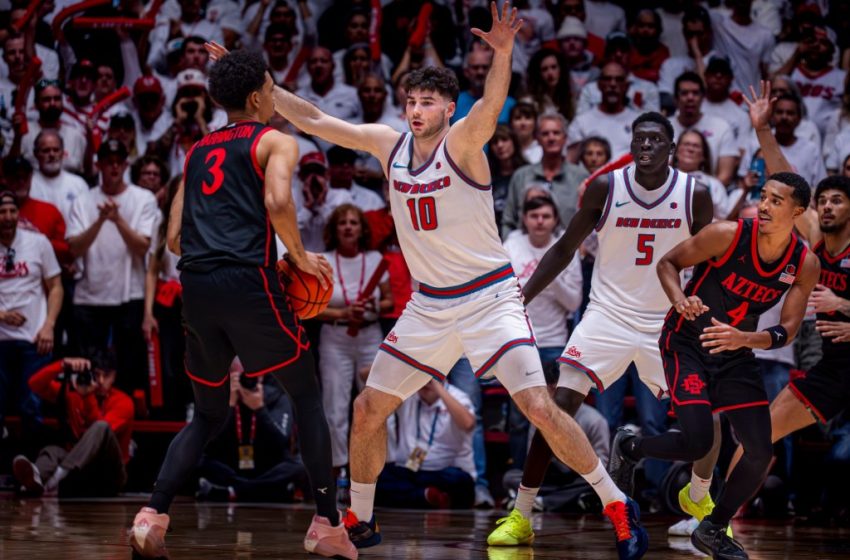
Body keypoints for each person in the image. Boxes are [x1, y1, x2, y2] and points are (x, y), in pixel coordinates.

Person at [208, 3, 647, 557]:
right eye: (411, 102)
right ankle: (360, 520)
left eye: (428, 103)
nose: (416, 111)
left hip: (490, 299)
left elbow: (490, 106)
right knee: (368, 409)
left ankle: (615, 503)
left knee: (538, 405)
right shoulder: (388, 145)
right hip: (430, 306)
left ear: (447, 107)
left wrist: (505, 53)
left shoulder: (463, 143)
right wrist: (256, 84)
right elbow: (316, 119)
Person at [127, 49, 355, 560]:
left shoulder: (196, 151)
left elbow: (175, 240)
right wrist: (299, 257)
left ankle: (152, 514)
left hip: (197, 286)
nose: (276, 97)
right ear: (257, 98)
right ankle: (326, 524)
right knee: (307, 396)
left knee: (207, 414)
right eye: (273, 89)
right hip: (246, 282)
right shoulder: (276, 140)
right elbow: (277, 203)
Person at [608, 83, 820, 560]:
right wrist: (680, 298)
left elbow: (789, 327)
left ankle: (713, 529)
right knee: (699, 439)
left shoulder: (803, 263)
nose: (764, 206)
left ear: (798, 213)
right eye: (763, 196)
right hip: (686, 341)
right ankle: (632, 447)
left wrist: (750, 336)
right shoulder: (727, 234)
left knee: (760, 452)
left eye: (776, 201)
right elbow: (667, 263)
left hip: (736, 350)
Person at [488, 110, 712, 549]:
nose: (645, 146)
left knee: (705, 417)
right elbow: (564, 249)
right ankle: (521, 513)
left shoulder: (694, 195)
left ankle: (700, 501)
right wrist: (522, 297)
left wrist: (710, 312)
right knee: (556, 410)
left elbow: (713, 261)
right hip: (606, 315)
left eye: (654, 140)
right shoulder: (607, 188)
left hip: (665, 321)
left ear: (671, 148)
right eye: (638, 139)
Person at [502, 194, 582, 468]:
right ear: (524, 219)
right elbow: (501, 293)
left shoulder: (565, 250)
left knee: (554, 415)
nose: (539, 222)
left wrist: (549, 273)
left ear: (555, 220)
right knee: (517, 416)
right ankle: (516, 475)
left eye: (546, 216)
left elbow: (573, 302)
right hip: (519, 342)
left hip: (554, 344)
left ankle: (550, 477)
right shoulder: (512, 245)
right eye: (534, 216)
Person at [316, 203, 392, 471]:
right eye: (342, 223)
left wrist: (373, 307)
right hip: (335, 336)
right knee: (335, 406)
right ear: (334, 230)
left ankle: (378, 469)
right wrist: (343, 311)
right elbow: (310, 309)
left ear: (362, 229)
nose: (348, 227)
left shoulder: (374, 259)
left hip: (370, 335)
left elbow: (389, 301)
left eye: (354, 222)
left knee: (376, 403)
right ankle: (337, 470)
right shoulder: (323, 260)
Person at [13, 349, 134, 497]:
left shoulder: (124, 402)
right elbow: (34, 383)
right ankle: (34, 479)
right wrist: (63, 364)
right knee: (52, 451)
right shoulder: (74, 393)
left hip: (109, 473)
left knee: (101, 427)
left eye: (106, 376)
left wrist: (88, 397)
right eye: (96, 374)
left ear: (114, 376)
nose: (101, 381)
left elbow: (100, 434)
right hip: (80, 469)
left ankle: (56, 479)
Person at [196, 363, 309, 503]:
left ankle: (232, 492)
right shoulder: (218, 391)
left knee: (301, 465)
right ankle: (269, 491)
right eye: (242, 374)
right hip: (230, 465)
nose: (247, 379)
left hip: (267, 466)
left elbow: (282, 441)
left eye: (252, 373)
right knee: (197, 459)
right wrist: (228, 406)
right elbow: (209, 443)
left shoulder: (278, 393)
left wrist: (260, 409)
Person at [0, 191, 62, 442]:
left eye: (12, 211)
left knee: (31, 406)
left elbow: (56, 286)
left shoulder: (38, 243)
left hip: (34, 338)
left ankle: (33, 468)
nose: (7, 217)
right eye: (2, 211)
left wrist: (49, 325)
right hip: (1, 339)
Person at [375, 379, 476, 509]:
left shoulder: (458, 396)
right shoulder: (409, 394)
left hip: (445, 472)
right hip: (412, 470)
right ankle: (426, 496)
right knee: (377, 480)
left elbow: (468, 423)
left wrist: (439, 389)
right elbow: (364, 376)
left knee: (461, 483)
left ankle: (420, 496)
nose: (426, 383)